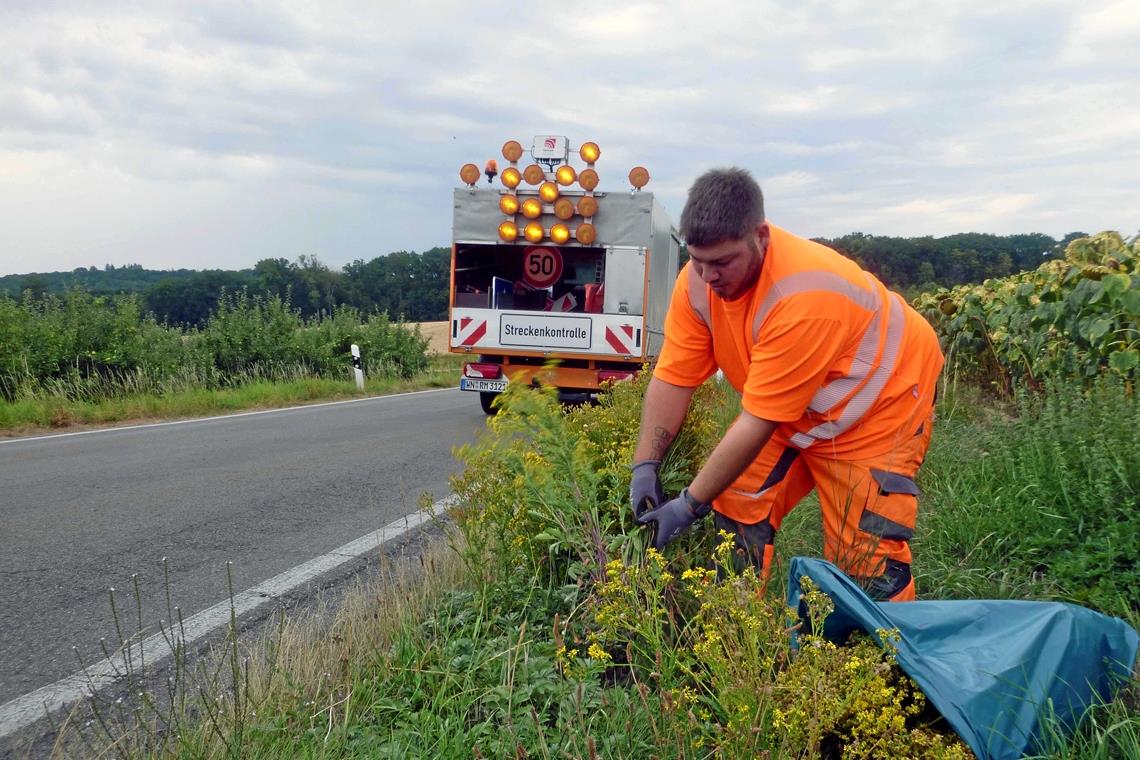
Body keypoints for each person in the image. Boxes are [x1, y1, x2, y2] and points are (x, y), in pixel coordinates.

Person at [630, 168, 944, 601]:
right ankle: (738, 633)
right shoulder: (698, 287)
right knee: (734, 505)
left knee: (866, 559)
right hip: (793, 412)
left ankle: (882, 663)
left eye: (722, 262)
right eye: (698, 260)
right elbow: (672, 378)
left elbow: (759, 420)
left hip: (878, 410)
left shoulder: (802, 296)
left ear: (761, 235)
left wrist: (687, 505)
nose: (708, 276)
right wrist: (644, 464)